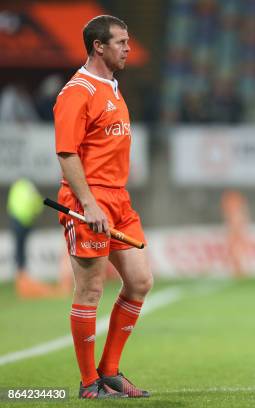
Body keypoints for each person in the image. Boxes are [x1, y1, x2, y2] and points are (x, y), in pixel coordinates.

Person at [53, 15, 152, 399]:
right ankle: (88, 384)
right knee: (90, 290)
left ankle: (109, 372)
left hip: (118, 198)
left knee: (141, 281)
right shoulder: (77, 91)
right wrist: (89, 203)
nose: (128, 48)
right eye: (121, 42)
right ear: (99, 46)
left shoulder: (111, 86)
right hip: (88, 200)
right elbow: (66, 153)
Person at [7, 178, 57, 298]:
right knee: (21, 249)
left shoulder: (16, 187)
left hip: (16, 222)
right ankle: (22, 278)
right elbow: (38, 204)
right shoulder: (30, 188)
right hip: (25, 223)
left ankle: (22, 277)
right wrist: (35, 214)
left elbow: (10, 205)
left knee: (19, 249)